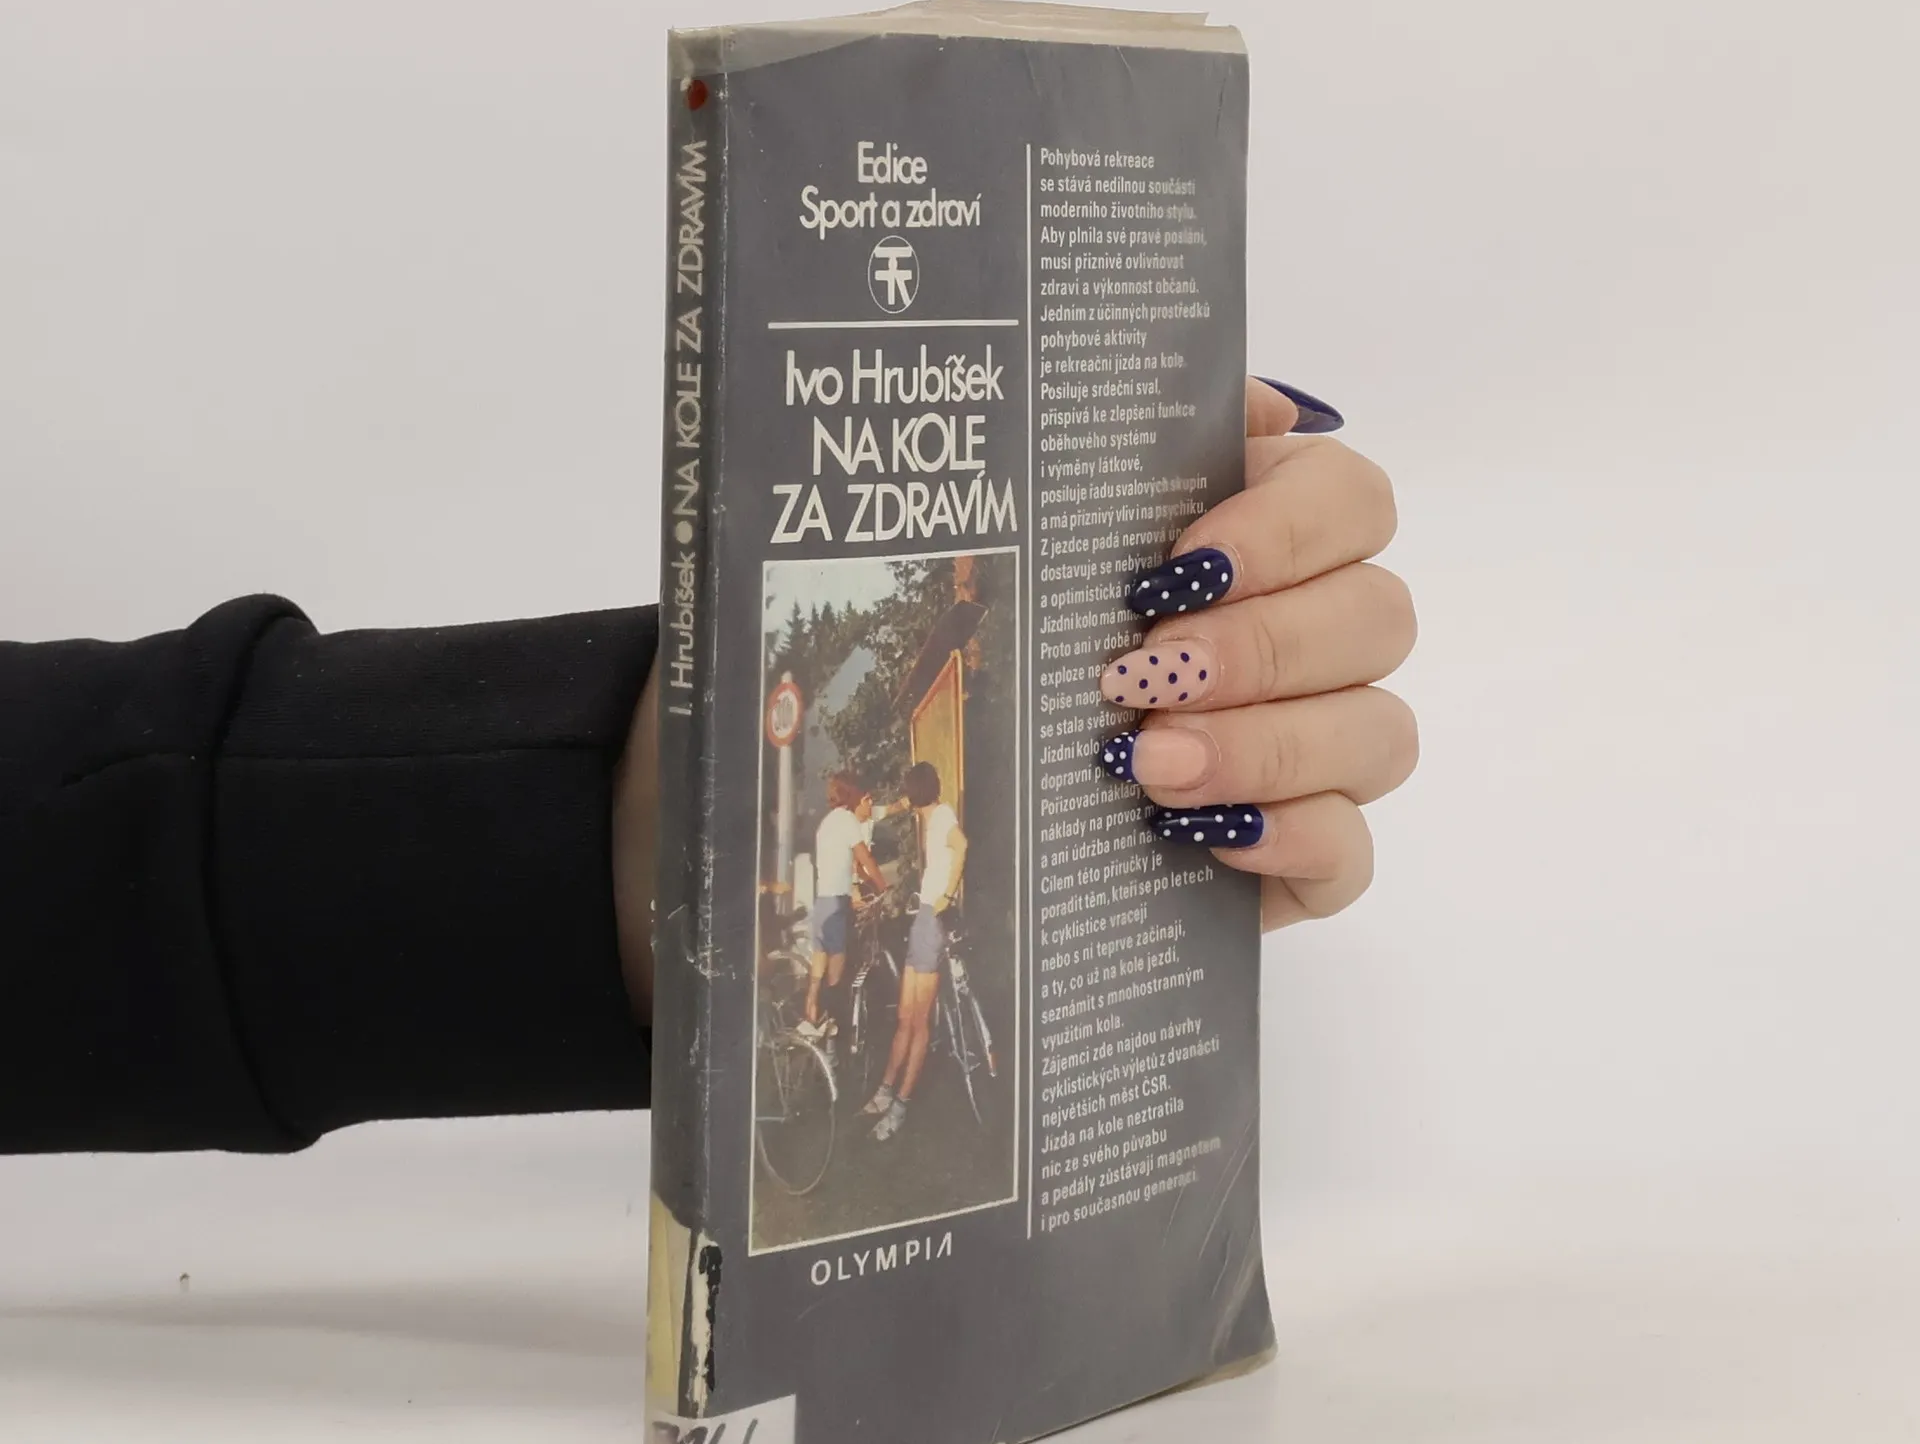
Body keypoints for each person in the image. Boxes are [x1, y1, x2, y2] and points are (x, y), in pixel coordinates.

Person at [0, 379, 1417, 1154]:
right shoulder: (872, 832)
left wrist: (628, 826)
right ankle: (876, 1083)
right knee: (895, 996)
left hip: (862, 909)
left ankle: (883, 1079)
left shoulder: (889, 820)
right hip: (854, 916)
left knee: (912, 995)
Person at [861, 761, 967, 1142]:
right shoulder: (927, 810)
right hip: (923, 917)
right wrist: (879, 811)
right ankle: (885, 1091)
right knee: (904, 1017)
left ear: (917, 790)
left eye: (909, 790)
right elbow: (902, 805)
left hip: (933, 920)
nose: (906, 798)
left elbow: (961, 846)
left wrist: (947, 897)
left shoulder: (942, 816)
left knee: (919, 1021)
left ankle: (900, 1106)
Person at [797, 774, 886, 1038]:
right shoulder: (847, 820)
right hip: (837, 904)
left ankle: (810, 1022)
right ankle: (833, 1035)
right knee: (836, 974)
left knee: (817, 974)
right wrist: (882, 886)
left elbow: (842, 864)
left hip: (822, 903)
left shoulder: (825, 823)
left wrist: (861, 882)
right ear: (852, 793)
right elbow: (864, 858)